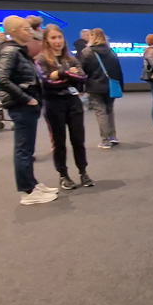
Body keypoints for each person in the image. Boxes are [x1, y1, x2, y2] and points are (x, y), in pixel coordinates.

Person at [0, 15, 57, 205]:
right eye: (25, 29)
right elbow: (2, 79)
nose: (30, 32)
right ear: (13, 32)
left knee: (28, 148)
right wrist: (27, 99)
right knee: (23, 149)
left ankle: (31, 183)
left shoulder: (18, 51)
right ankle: (27, 191)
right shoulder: (11, 52)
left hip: (27, 106)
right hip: (21, 106)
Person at [38, 25, 94, 190]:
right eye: (53, 38)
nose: (57, 41)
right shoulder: (41, 59)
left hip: (73, 102)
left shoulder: (70, 58)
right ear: (47, 40)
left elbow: (83, 78)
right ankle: (63, 175)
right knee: (59, 142)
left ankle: (83, 172)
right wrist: (68, 74)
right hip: (53, 104)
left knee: (78, 139)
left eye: (60, 37)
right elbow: (47, 82)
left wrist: (60, 74)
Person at [80, 28, 123, 149]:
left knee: (100, 112)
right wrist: (120, 85)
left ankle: (105, 140)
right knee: (109, 110)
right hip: (110, 86)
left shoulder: (87, 52)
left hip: (94, 87)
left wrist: (80, 87)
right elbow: (118, 70)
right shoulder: (111, 52)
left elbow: (83, 71)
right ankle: (113, 136)